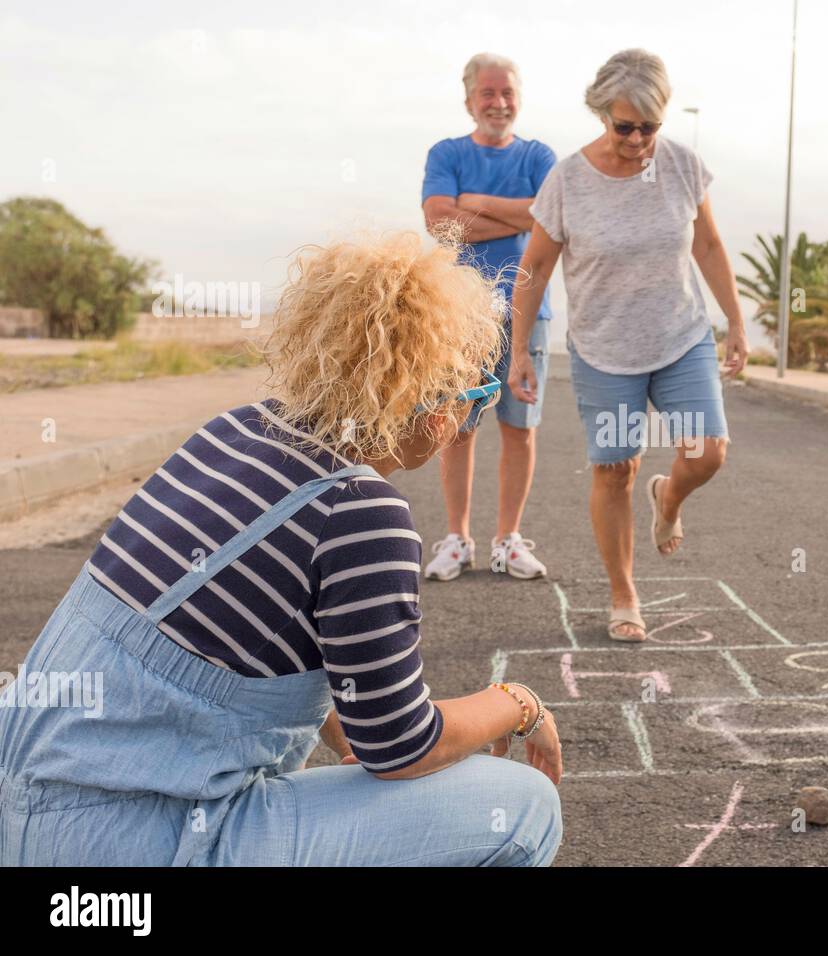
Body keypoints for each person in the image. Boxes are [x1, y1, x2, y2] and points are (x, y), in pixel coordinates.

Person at [0, 233, 564, 866]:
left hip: (19, 819)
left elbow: (255, 635)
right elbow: (404, 749)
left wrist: (346, 725)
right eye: (473, 402)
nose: (464, 426)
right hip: (120, 858)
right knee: (520, 808)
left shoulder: (230, 433)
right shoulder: (361, 511)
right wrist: (516, 703)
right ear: (433, 402)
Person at [508, 49, 748, 642]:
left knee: (708, 452)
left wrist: (736, 321)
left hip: (680, 336)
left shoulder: (683, 166)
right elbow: (534, 269)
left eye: (650, 126)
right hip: (603, 349)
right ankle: (624, 593)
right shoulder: (567, 179)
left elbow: (710, 248)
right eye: (625, 126)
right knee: (615, 468)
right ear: (601, 114)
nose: (639, 139)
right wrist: (518, 350)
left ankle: (668, 497)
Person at [420, 52, 556, 582]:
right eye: (488, 93)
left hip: (528, 308)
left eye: (507, 93)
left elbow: (549, 220)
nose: (498, 103)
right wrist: (516, 213)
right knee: (457, 426)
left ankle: (508, 539)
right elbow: (439, 223)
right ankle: (457, 538)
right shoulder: (447, 152)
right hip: (460, 310)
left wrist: (473, 203)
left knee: (520, 428)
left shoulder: (539, 155)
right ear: (470, 99)